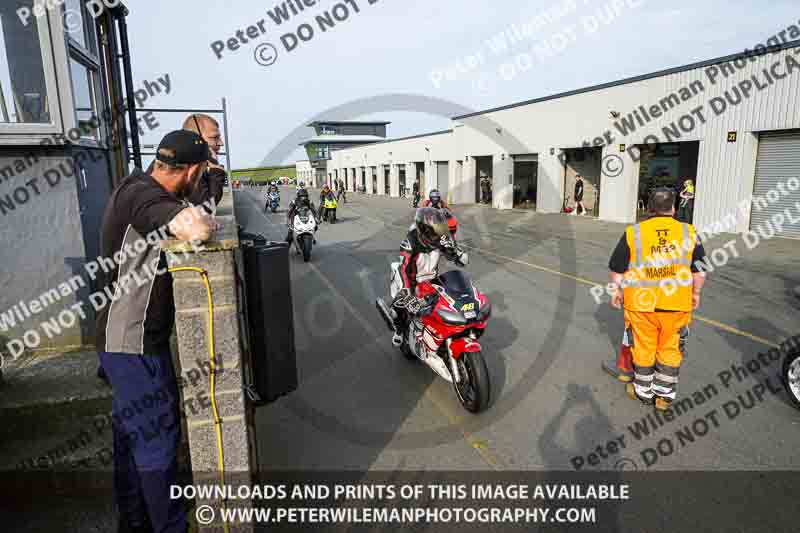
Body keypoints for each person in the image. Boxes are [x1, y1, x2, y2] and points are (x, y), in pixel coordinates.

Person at [96, 130, 220, 533]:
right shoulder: (144, 197)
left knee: (130, 442)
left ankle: (133, 522)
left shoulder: (137, 186)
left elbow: (182, 210)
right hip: (133, 344)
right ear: (192, 170)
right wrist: (204, 213)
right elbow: (195, 228)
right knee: (156, 448)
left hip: (122, 342)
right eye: (202, 173)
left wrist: (208, 193)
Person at [607, 187, 707, 411]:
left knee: (643, 347)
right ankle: (664, 397)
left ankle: (643, 391)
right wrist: (696, 293)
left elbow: (617, 268)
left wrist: (617, 290)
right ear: (673, 207)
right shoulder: (689, 232)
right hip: (676, 305)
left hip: (641, 305)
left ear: (650, 208)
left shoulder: (634, 232)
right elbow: (699, 269)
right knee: (671, 348)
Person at [390, 208, 469, 346]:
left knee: (450, 302)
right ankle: (399, 331)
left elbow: (462, 260)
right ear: (424, 231)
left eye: (437, 232)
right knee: (398, 307)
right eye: (433, 233)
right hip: (412, 280)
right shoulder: (411, 241)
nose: (436, 237)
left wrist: (455, 252)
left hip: (431, 280)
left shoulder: (439, 237)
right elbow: (404, 268)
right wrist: (407, 294)